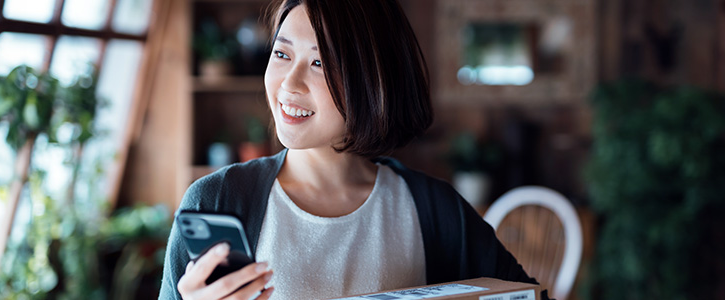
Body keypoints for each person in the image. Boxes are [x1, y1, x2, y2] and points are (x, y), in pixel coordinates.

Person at [160, 0, 545, 299]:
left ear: (374, 81)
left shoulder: (436, 210)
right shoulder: (218, 201)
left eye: (320, 63)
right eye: (281, 54)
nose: (289, 84)